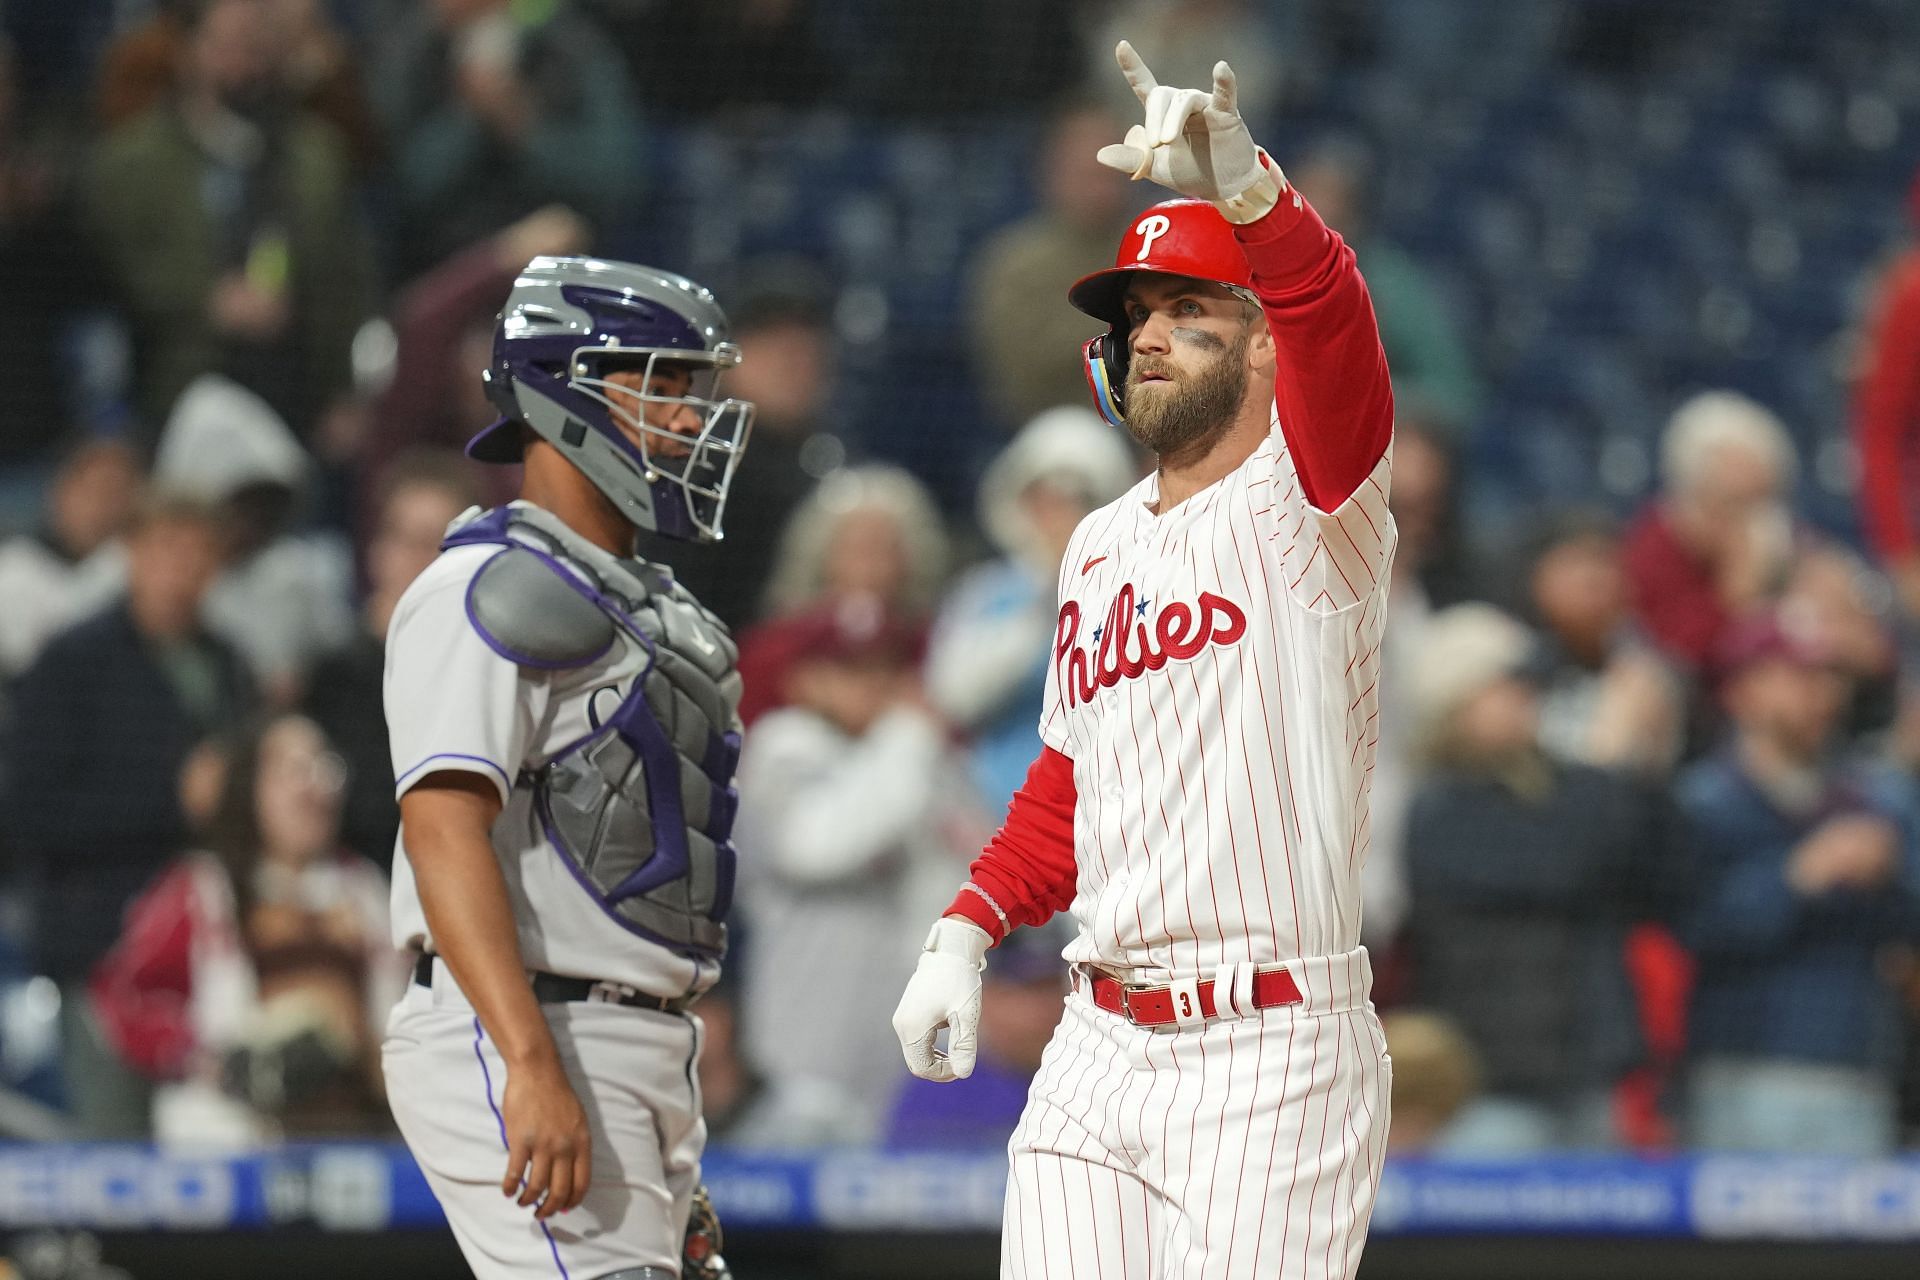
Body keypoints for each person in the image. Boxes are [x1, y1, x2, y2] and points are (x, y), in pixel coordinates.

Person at [893, 45, 1394, 1278]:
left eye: (1189, 312)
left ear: (1263, 345)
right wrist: (962, 928)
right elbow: (1071, 784)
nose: (1149, 336)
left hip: (1269, 1046)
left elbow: (1335, 325)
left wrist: (1253, 198)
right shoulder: (1100, 545)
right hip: (1098, 1034)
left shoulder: (1313, 496)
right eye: (1135, 317)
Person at [381, 255, 752, 1280]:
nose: (690, 417)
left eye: (695, 389)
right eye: (661, 383)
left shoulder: (651, 601)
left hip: (634, 1042)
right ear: (561, 386)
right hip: (523, 1022)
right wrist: (530, 1062)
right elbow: (442, 824)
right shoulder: (485, 587)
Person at [3, 493, 252, 1134]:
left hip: (210, 955)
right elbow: (27, 812)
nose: (183, 569)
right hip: (105, 952)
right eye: (167, 549)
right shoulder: (72, 661)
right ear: (131, 554)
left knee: (212, 1149)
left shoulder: (227, 662)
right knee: (116, 1158)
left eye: (200, 555)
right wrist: (174, 800)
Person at [1401, 604, 1682, 1154]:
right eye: (1506, 685)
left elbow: (1664, 876)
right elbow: (1557, 865)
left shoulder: (1566, 790)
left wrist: (1650, 755)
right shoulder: (1439, 808)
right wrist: (1612, 752)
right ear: (1454, 702)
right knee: (1492, 1241)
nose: (1527, 698)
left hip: (1586, 1076)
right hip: (1488, 1084)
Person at [89, 713, 403, 1146]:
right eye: (293, 770)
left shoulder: (366, 890)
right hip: (231, 1142)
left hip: (355, 1138)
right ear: (250, 786)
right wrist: (208, 1058)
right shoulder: (201, 889)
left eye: (326, 767)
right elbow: (119, 995)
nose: (314, 787)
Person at [1678, 613, 1920, 1155]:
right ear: (1742, 691)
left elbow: (1908, 926)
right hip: (1741, 1064)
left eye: (1829, 678)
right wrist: (1797, 875)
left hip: (1857, 1064)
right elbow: (1693, 926)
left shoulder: (1877, 798)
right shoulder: (1703, 802)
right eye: (1799, 677)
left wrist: (1890, 875)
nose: (1822, 695)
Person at [733, 600, 975, 1142]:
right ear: (805, 681)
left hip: (902, 1071)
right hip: (801, 1070)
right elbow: (815, 845)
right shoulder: (783, 750)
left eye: (887, 667)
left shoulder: (918, 760)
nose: (874, 684)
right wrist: (912, 732)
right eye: (849, 668)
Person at [83, 0, 374, 439]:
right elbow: (109, 280)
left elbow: (347, 280)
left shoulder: (314, 155)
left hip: (295, 398)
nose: (246, 63)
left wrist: (345, 392)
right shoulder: (131, 162)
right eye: (230, 46)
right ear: (188, 51)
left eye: (259, 47)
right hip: (174, 396)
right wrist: (206, 300)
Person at [926, 407, 1139, 811]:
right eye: (1047, 498)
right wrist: (1048, 600)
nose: (1060, 514)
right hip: (994, 811)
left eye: (1079, 498)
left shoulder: (1134, 591)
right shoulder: (987, 593)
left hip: (1107, 806)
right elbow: (954, 695)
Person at [304, 450, 478, 868]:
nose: (421, 560)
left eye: (439, 543)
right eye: (407, 540)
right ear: (378, 551)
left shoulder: (488, 679)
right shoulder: (333, 679)